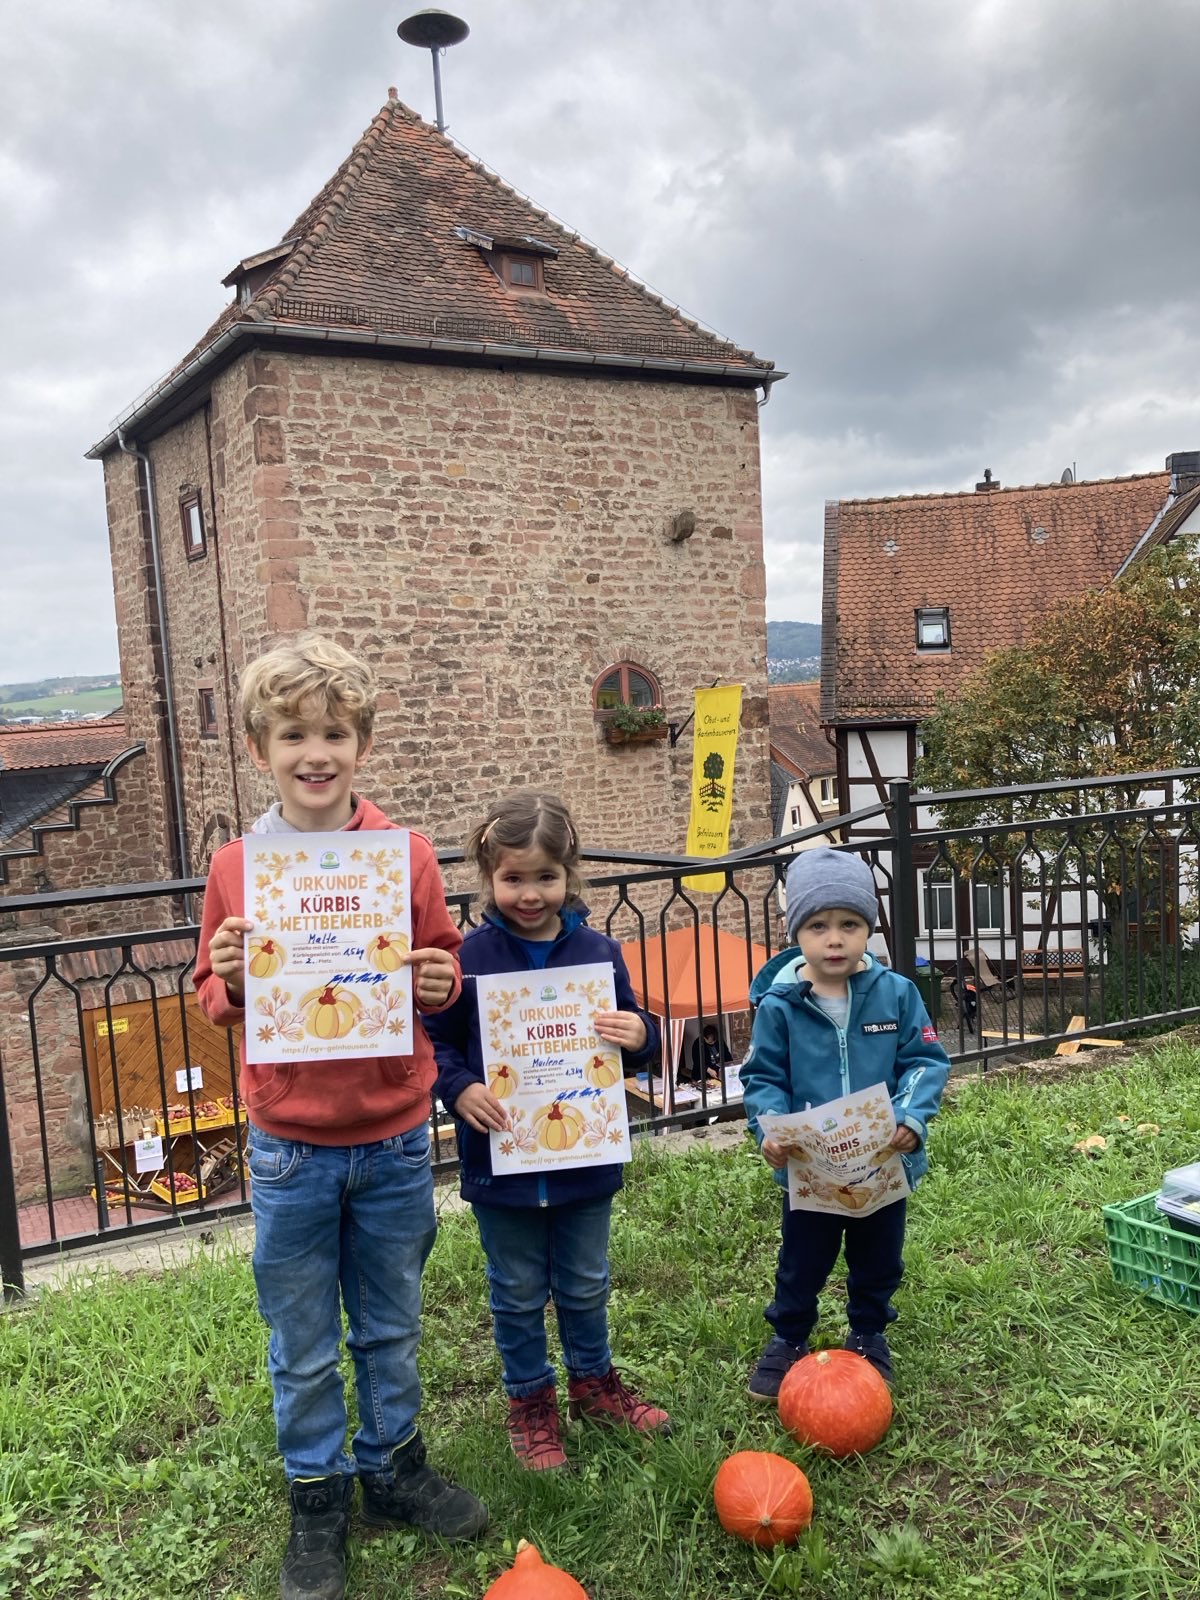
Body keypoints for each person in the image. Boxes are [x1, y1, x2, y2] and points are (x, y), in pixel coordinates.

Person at [194, 635, 487, 1600]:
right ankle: (316, 1494)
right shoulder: (237, 869)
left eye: (333, 734)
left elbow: (441, 966)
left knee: (391, 1323)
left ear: (361, 745)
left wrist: (441, 982)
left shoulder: (405, 858)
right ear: (259, 748)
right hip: (290, 1145)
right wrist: (232, 980)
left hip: (395, 1137)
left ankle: (393, 1466)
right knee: (303, 1337)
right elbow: (212, 993)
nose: (314, 753)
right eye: (292, 735)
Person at [426, 791, 671, 1471]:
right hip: (500, 1161)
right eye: (513, 878)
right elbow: (435, 1042)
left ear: (570, 875)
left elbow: (631, 1034)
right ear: (488, 877)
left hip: (584, 1160)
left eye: (546, 877)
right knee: (515, 1290)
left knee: (586, 1280)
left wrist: (641, 1033)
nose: (530, 894)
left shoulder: (599, 951)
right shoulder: (468, 958)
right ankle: (531, 1402)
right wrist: (459, 1086)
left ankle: (595, 1385)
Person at [740, 847, 949, 1398]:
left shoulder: (897, 994)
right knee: (802, 1258)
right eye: (818, 926)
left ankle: (868, 1332)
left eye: (849, 925)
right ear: (795, 932)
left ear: (868, 929)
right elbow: (762, 1078)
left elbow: (925, 1062)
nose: (834, 939)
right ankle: (789, 1336)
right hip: (811, 1170)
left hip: (882, 1164)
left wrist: (910, 1116)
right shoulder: (780, 1006)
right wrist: (770, 1132)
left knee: (879, 1255)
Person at [680, 1021, 733, 1085]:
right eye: (710, 1042)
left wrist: (729, 1065)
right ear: (704, 1038)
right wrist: (708, 1070)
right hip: (702, 1076)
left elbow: (727, 1055)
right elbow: (697, 1062)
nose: (713, 1043)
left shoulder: (719, 1041)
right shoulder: (697, 1044)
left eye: (714, 1041)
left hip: (718, 1074)